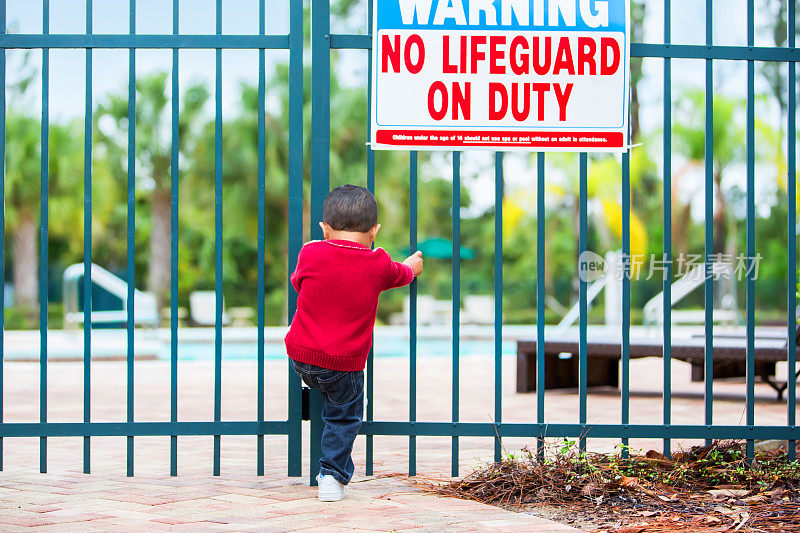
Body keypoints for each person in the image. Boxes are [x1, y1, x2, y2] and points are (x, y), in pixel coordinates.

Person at [285, 184, 423, 501]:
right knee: (344, 416)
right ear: (374, 231)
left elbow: (298, 282)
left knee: (321, 387)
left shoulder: (310, 252)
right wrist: (413, 266)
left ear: (324, 228)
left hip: (301, 356)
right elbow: (402, 273)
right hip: (344, 365)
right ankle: (331, 478)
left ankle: (310, 394)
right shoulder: (377, 263)